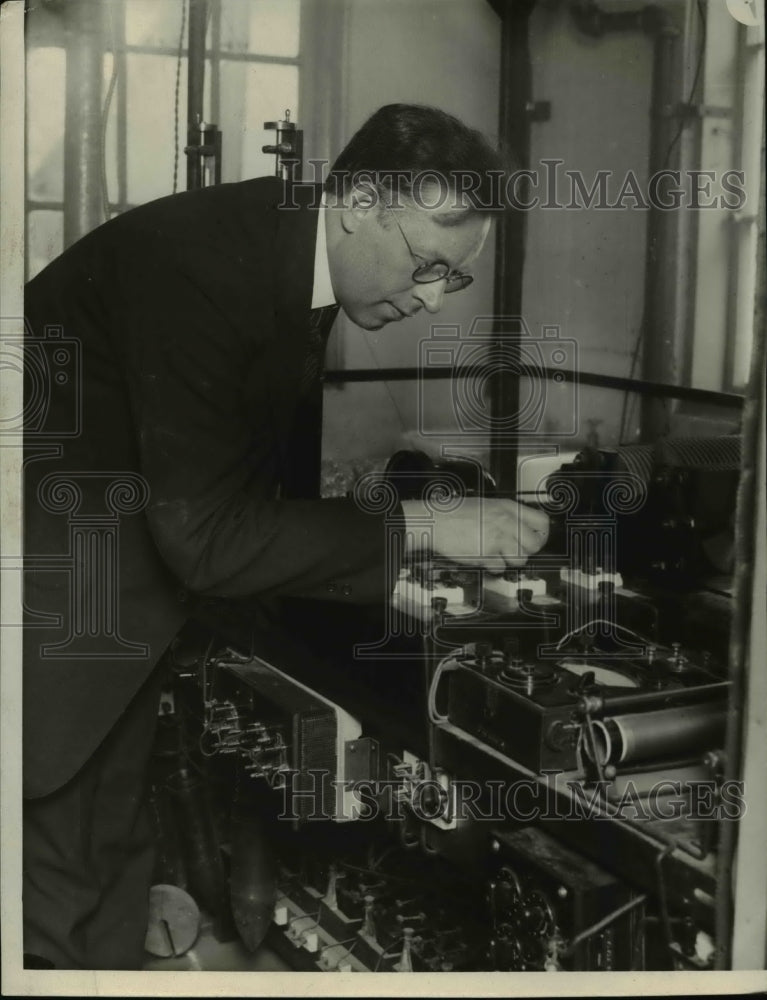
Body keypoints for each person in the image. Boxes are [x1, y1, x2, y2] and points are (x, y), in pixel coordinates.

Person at [22, 103, 549, 969]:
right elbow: (208, 538)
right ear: (357, 204)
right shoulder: (198, 263)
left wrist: (377, 529)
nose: (426, 300)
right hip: (57, 593)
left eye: (449, 282)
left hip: (120, 584)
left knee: (109, 834)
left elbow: (248, 475)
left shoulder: (296, 259)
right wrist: (423, 524)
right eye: (425, 266)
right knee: (50, 866)